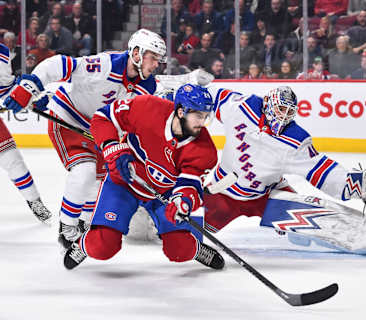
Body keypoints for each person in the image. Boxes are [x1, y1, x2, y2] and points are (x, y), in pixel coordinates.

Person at [3, 29, 213, 254]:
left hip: (102, 129)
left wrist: (188, 82)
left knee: (103, 182)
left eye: (158, 60)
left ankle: (85, 222)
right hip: (69, 118)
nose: (155, 65)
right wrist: (32, 84)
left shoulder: (147, 85)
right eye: (152, 58)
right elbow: (61, 64)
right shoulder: (106, 65)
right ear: (136, 53)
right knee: (84, 172)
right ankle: (67, 228)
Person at [195, 85, 366, 255]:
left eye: (289, 112)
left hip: (267, 195)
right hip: (223, 193)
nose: (284, 117)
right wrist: (180, 91)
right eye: (281, 109)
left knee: (312, 216)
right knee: (186, 230)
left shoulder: (295, 140)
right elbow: (209, 96)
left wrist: (355, 185)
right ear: (268, 105)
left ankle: (364, 238)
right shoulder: (241, 107)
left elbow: (322, 170)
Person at [63, 84, 225, 271]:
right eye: (198, 115)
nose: (202, 122)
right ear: (181, 112)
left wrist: (183, 202)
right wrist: (111, 146)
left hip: (164, 194)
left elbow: (190, 184)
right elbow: (103, 117)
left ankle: (196, 250)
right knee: (102, 246)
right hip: (124, 182)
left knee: (180, 250)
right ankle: (83, 244)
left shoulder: (205, 150)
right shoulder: (147, 107)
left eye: (205, 116)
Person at [0, 43, 52, 224]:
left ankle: (34, 201)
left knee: (14, 162)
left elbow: (6, 89)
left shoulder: (1, 52)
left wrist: (30, 97)